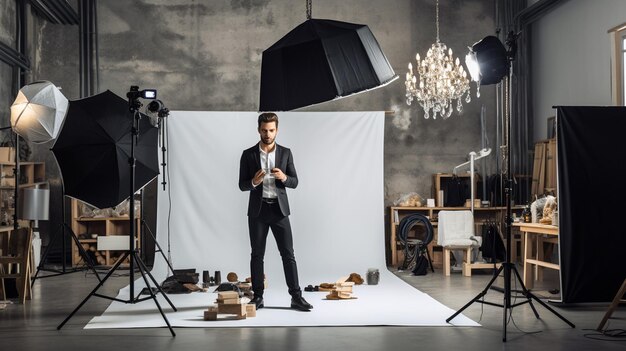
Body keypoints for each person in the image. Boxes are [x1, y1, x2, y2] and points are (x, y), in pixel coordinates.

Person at [238, 112, 313, 312]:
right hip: (258, 211)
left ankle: (296, 297)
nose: (268, 134)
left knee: (288, 255)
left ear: (277, 130)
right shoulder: (248, 154)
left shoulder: (286, 153)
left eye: (271, 130)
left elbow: (295, 182)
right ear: (258, 130)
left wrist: (284, 178)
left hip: (279, 211)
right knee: (257, 255)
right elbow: (242, 185)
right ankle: (258, 297)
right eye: (264, 130)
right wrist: (254, 181)